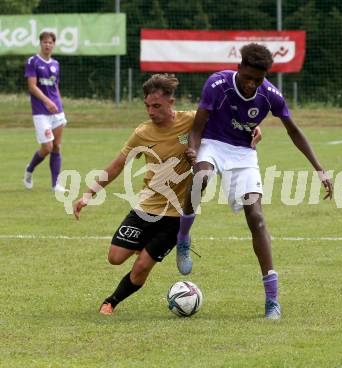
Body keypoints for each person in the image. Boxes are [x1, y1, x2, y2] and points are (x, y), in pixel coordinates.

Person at [72, 74, 261, 316]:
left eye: (157, 106)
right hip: (146, 207)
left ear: (171, 102)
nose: (151, 111)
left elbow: (232, 121)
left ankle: (111, 302)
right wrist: (89, 194)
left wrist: (255, 128)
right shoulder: (142, 133)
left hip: (177, 215)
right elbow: (118, 164)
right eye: (148, 106)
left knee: (141, 268)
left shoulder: (192, 120)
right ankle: (147, 248)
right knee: (115, 257)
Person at [176, 43, 334, 320]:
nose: (251, 84)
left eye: (257, 80)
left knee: (257, 218)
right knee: (201, 176)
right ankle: (183, 237)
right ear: (239, 68)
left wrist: (320, 169)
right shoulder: (217, 84)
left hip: (243, 154)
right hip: (212, 142)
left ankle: (272, 300)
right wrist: (193, 148)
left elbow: (293, 131)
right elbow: (198, 128)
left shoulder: (271, 95)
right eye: (247, 77)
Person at [23, 31, 68, 193]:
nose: (47, 45)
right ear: (40, 43)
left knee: (56, 146)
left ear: (54, 44)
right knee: (47, 147)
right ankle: (29, 169)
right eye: (45, 42)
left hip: (57, 111)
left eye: (50, 42)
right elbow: (32, 86)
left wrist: (58, 104)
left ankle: (55, 185)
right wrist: (47, 101)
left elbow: (55, 87)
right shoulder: (32, 62)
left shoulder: (56, 64)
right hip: (41, 111)